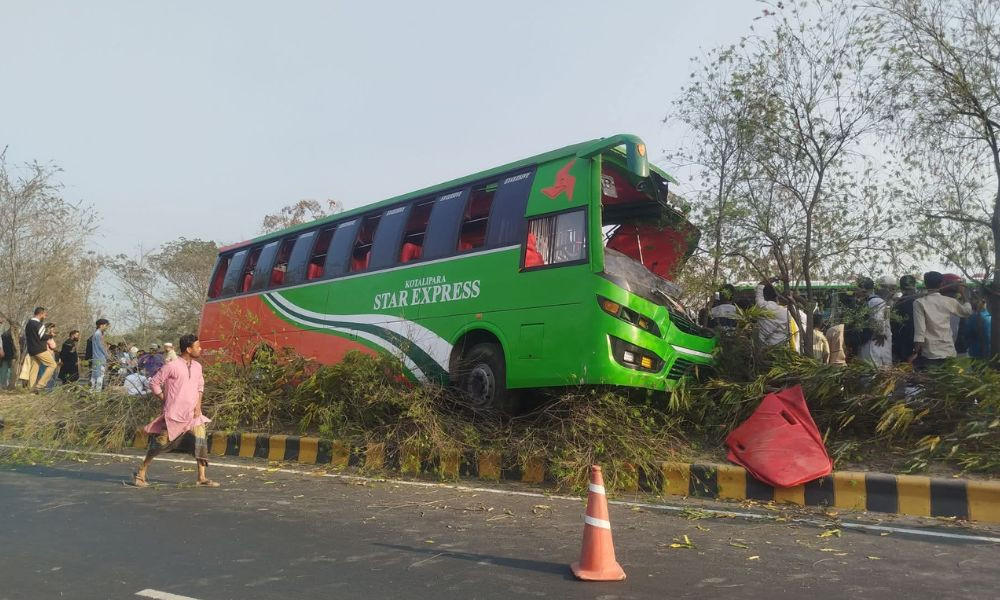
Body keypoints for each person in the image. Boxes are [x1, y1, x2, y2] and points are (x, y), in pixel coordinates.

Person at [134, 334, 218, 488]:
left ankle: (202, 477)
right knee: (160, 445)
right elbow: (154, 383)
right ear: (188, 349)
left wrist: (198, 405)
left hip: (193, 415)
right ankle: (141, 471)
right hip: (174, 415)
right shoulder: (172, 366)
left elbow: (200, 386)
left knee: (200, 443)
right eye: (197, 346)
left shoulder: (198, 367)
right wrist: (163, 397)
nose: (201, 349)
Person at [910, 271, 973, 369]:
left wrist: (915, 353)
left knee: (932, 383)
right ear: (941, 284)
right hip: (948, 352)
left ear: (925, 284)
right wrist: (963, 293)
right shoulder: (949, 301)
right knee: (948, 383)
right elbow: (967, 311)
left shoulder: (919, 303)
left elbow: (920, 332)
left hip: (931, 354)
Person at [855, 277, 893, 368]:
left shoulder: (875, 301)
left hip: (876, 343)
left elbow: (878, 319)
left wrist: (880, 333)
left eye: (857, 288)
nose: (855, 291)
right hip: (873, 343)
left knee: (876, 368)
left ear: (863, 289)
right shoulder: (869, 301)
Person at [25, 307, 57, 391]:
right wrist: (51, 335)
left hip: (31, 350)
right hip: (40, 349)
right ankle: (40, 385)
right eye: (45, 315)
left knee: (34, 368)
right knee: (53, 365)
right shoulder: (39, 324)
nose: (45, 317)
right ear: (40, 314)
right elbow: (42, 337)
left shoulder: (28, 324)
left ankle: (31, 389)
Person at [755, 281, 792, 348]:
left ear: (763, 296)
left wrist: (778, 277)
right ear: (776, 296)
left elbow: (760, 285)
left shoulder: (760, 306)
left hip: (763, 348)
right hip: (781, 349)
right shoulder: (786, 313)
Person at [892, 275, 920, 362]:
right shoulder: (920, 301)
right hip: (915, 343)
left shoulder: (898, 303)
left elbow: (893, 324)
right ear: (914, 286)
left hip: (902, 343)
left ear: (901, 288)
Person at [89, 319, 111, 391]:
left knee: (94, 376)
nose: (106, 327)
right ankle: (98, 394)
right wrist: (108, 356)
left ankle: (91, 391)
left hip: (95, 358)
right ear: (101, 325)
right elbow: (101, 347)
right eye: (106, 325)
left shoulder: (96, 334)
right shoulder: (98, 334)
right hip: (100, 359)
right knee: (100, 376)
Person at [0, 322, 14, 388]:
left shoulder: (3, 335)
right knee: (5, 370)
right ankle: (4, 385)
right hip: (7, 356)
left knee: (5, 370)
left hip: (7, 355)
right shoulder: (5, 335)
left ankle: (4, 384)